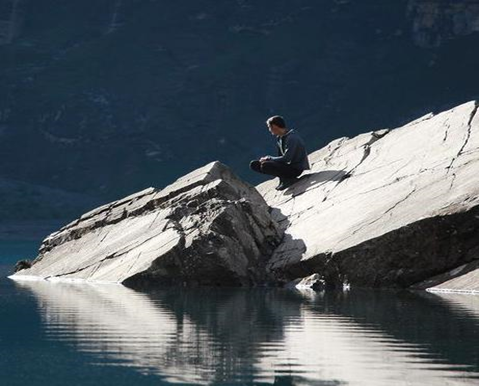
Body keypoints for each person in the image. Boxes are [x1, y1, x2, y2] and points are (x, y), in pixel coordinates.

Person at [250, 115, 310, 190]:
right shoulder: (280, 138)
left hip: (296, 169)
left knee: (265, 165)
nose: (269, 129)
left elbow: (287, 158)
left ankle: (289, 179)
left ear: (275, 126)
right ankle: (283, 179)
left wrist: (269, 158)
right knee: (254, 164)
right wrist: (269, 160)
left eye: (269, 127)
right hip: (287, 166)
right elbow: (280, 156)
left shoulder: (292, 138)